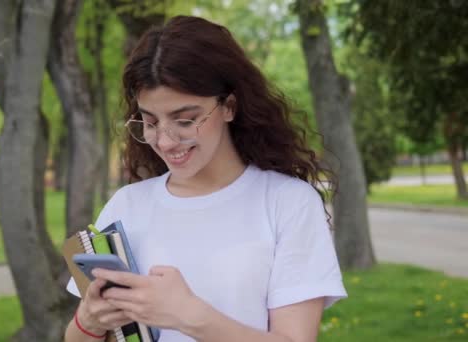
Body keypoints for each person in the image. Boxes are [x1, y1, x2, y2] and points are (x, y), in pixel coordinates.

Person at [64, 15, 347, 342]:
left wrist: (189, 316)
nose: (166, 141)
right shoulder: (127, 205)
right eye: (151, 122)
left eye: (185, 120)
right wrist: (90, 321)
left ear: (228, 106)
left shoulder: (288, 202)